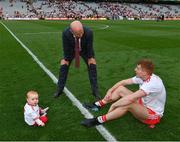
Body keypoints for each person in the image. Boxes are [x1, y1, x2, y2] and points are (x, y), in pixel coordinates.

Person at [81, 59, 166, 128]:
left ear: (144, 72)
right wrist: (110, 90)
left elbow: (130, 99)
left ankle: (99, 120)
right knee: (121, 89)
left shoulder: (152, 84)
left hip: (153, 114)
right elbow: (123, 82)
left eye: (138, 68)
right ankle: (98, 104)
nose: (135, 69)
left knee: (128, 104)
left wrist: (114, 105)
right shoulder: (144, 77)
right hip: (143, 103)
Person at [54, 20, 100, 100]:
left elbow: (89, 48)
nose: (81, 35)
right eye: (78, 34)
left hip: (84, 50)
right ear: (71, 31)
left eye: (82, 32)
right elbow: (66, 49)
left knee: (92, 63)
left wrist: (90, 58)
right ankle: (59, 89)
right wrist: (66, 59)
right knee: (64, 64)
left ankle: (95, 90)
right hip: (72, 49)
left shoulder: (89, 32)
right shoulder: (66, 33)